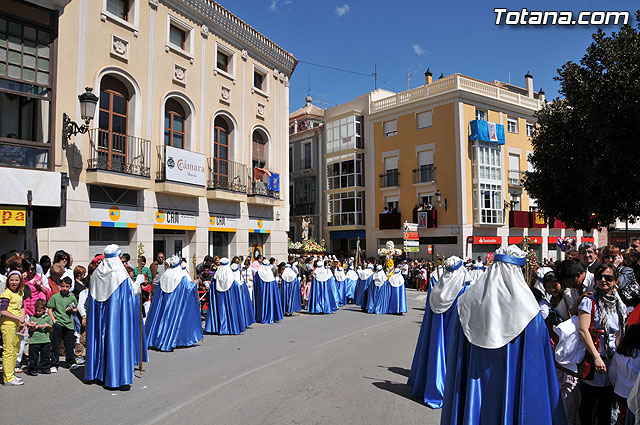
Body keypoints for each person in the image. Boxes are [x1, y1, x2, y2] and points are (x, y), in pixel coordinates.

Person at [441, 245, 567, 425]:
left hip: (474, 382)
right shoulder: (530, 311)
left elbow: (457, 352)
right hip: (513, 385)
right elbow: (538, 364)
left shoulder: (466, 303)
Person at [408, 256, 472, 408]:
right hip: (455, 333)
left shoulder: (437, 290)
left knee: (437, 354)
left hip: (437, 335)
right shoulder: (464, 289)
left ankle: (433, 384)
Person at [84, 244, 148, 389]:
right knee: (115, 340)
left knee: (101, 338)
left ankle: (98, 372)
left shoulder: (96, 274)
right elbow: (132, 293)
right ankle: (115, 375)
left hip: (100, 315)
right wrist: (138, 282)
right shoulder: (119, 274)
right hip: (115, 316)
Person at [577, 263, 628, 425]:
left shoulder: (619, 303)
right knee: (589, 405)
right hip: (594, 360)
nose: (603, 281)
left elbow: (620, 330)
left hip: (613, 360)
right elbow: (583, 330)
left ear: (616, 281)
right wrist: (597, 357)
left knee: (606, 406)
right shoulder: (589, 301)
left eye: (608, 277)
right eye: (599, 277)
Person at [146, 255, 203, 349]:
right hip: (176, 303)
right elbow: (188, 288)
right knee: (175, 321)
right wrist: (194, 283)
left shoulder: (165, 275)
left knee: (163, 320)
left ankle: (159, 339)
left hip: (164, 302)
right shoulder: (181, 275)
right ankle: (170, 341)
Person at [205, 257, 246, 335]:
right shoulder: (229, 274)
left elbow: (213, 286)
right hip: (229, 296)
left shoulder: (217, 275)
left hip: (218, 295)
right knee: (230, 309)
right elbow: (235, 285)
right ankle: (230, 328)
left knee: (220, 309)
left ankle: (220, 328)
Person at [609, 324, 640, 424]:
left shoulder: (618, 354)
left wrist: (619, 386)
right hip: (635, 396)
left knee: (624, 417)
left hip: (621, 393)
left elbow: (612, 374)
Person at [1, 271, 27, 385]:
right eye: (12, 280)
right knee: (8, 350)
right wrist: (17, 318)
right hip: (8, 324)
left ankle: (11, 374)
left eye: (17, 280)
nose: (14, 282)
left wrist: (22, 321)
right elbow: (3, 311)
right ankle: (8, 378)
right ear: (8, 281)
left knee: (15, 350)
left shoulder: (20, 293)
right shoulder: (6, 294)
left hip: (17, 324)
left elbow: (21, 307)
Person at [47, 277, 78, 372]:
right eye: (63, 286)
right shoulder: (55, 297)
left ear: (70, 287)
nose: (64, 288)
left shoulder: (72, 297)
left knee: (69, 345)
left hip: (69, 323)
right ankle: (54, 364)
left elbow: (76, 309)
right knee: (56, 344)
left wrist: (72, 310)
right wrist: (54, 321)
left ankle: (70, 362)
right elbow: (50, 309)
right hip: (58, 323)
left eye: (67, 286)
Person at [252, 259, 284, 324]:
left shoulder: (258, 273)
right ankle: (271, 316)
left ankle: (260, 317)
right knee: (270, 302)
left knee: (261, 303)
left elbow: (255, 282)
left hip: (261, 292)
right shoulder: (270, 274)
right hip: (270, 293)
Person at [27, 299, 53, 376]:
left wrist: (48, 326)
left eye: (39, 311)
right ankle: (32, 369)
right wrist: (37, 327)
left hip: (45, 340)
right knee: (33, 357)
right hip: (35, 340)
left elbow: (51, 326)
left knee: (45, 356)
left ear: (44, 310)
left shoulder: (47, 317)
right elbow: (29, 329)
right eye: (36, 311)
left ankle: (45, 368)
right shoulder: (33, 318)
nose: (37, 312)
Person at [234, 260, 255, 327]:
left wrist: (253, 278)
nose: (246, 267)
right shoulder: (242, 269)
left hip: (249, 284)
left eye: (247, 265)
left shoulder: (251, 269)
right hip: (243, 284)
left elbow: (257, 272)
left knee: (250, 298)